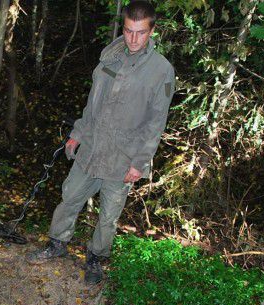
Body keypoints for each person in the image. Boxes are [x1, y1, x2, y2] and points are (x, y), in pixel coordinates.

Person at [27, 1, 175, 284]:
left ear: (152, 31)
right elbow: (93, 103)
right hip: (93, 147)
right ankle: (57, 243)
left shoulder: (162, 71)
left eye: (140, 33)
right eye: (129, 31)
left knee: (108, 215)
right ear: (124, 27)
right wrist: (78, 134)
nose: (133, 39)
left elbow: (157, 122)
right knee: (70, 197)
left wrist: (139, 163)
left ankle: (96, 258)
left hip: (123, 157)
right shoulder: (110, 57)